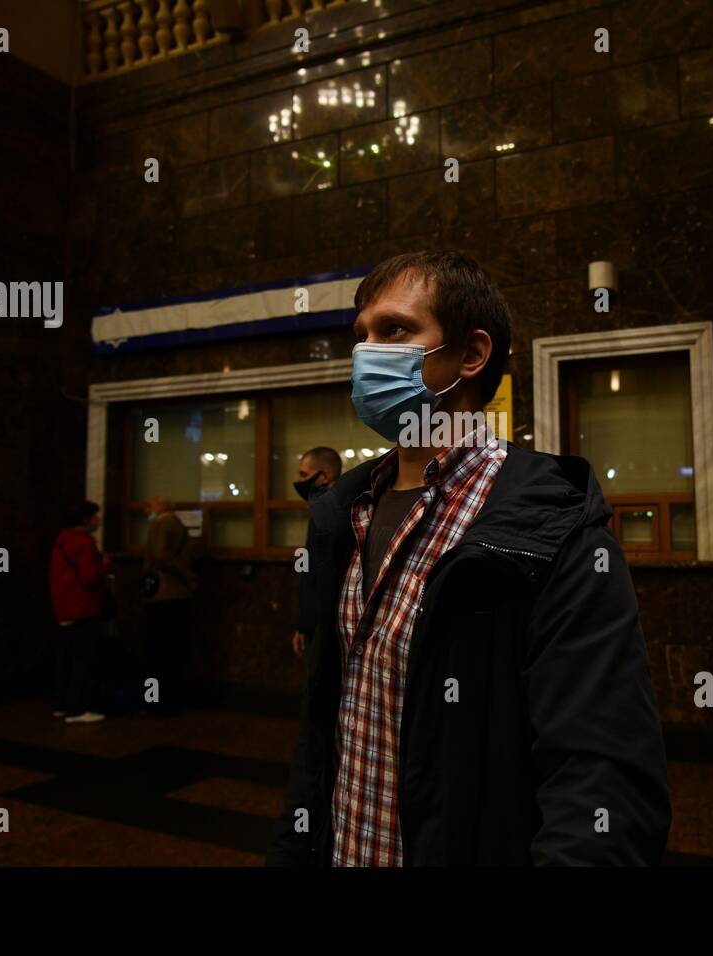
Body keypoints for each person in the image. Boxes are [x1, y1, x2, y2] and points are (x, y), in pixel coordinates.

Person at [268, 252, 670, 866]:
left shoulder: (553, 533)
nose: (367, 353)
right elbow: (322, 736)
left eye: (395, 331)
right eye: (362, 336)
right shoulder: (342, 517)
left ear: (472, 355)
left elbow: (602, 778)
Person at [49, 500, 110, 724]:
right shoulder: (84, 542)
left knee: (65, 657)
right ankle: (78, 709)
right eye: (95, 516)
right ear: (85, 519)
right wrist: (104, 565)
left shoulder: (62, 540)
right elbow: (90, 576)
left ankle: (62, 705)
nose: (98, 520)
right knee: (83, 659)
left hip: (64, 606)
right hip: (83, 606)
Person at [142, 495, 196, 715]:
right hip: (177, 596)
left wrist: (185, 576)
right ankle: (170, 700)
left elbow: (159, 555)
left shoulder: (161, 525)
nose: (146, 509)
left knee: (155, 652)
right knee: (172, 652)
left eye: (149, 505)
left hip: (162, 595)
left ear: (159, 507)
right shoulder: (177, 525)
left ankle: (154, 701)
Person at [291, 446, 342, 659]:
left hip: (322, 624)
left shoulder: (326, 511)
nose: (298, 480)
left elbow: (315, 574)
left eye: (304, 474)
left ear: (325, 476)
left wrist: (305, 624)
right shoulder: (331, 506)